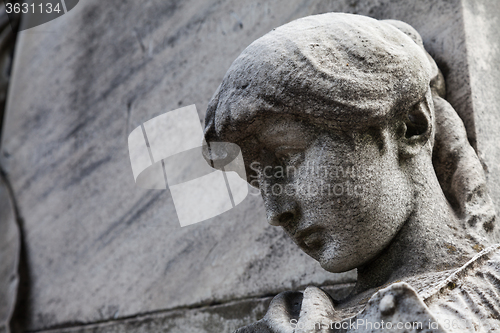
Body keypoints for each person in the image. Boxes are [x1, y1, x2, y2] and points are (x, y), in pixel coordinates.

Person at [204, 13, 500, 332]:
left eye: (287, 157)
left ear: (412, 126)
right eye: (255, 178)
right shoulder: (290, 322)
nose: (275, 212)